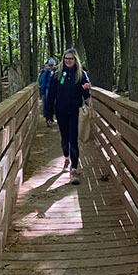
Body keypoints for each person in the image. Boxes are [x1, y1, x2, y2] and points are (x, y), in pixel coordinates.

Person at [43, 49, 90, 185]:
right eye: (66, 59)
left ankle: (74, 169)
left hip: (75, 112)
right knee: (64, 139)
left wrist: (87, 89)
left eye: (71, 59)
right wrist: (48, 115)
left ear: (75, 60)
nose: (68, 61)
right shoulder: (58, 74)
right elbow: (51, 95)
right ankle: (66, 158)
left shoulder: (81, 75)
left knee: (73, 139)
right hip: (61, 112)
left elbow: (86, 96)